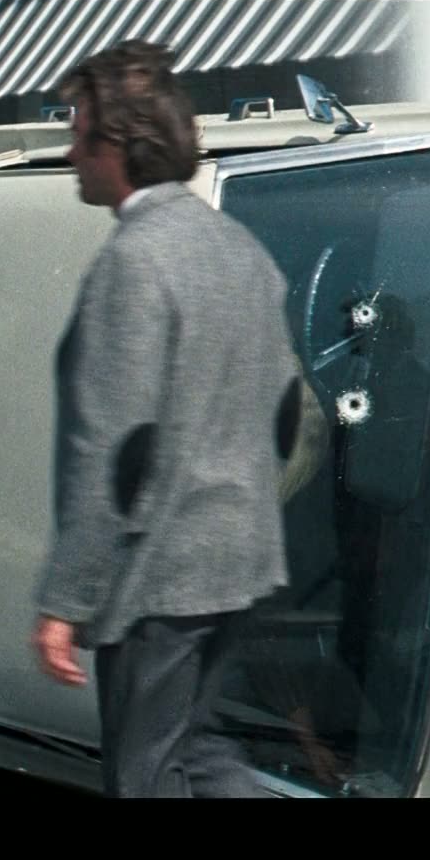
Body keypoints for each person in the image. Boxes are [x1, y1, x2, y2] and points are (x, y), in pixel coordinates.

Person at [31, 40, 299, 798]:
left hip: (161, 576)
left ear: (117, 144)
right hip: (240, 562)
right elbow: (286, 411)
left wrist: (64, 601)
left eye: (79, 132)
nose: (70, 151)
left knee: (146, 775)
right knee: (198, 753)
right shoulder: (239, 248)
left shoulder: (134, 260)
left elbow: (111, 450)